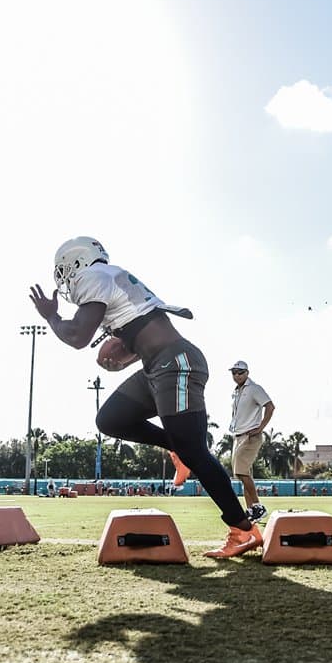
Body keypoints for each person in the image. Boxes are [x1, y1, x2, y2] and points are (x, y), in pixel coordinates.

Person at [30, 236, 263, 558]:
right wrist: (120, 353)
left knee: (195, 450)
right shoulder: (111, 275)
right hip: (159, 364)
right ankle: (177, 449)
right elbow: (140, 332)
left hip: (175, 363)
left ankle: (243, 530)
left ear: (74, 263)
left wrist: (51, 317)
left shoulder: (91, 277)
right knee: (111, 419)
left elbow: (77, 336)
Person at [227, 360, 275, 524]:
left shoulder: (254, 388)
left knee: (241, 472)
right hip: (238, 436)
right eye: (234, 372)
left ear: (247, 373)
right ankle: (251, 510)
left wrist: (261, 427)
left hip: (250, 435)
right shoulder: (236, 392)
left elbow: (270, 406)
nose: (237, 375)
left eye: (240, 372)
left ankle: (258, 507)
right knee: (243, 474)